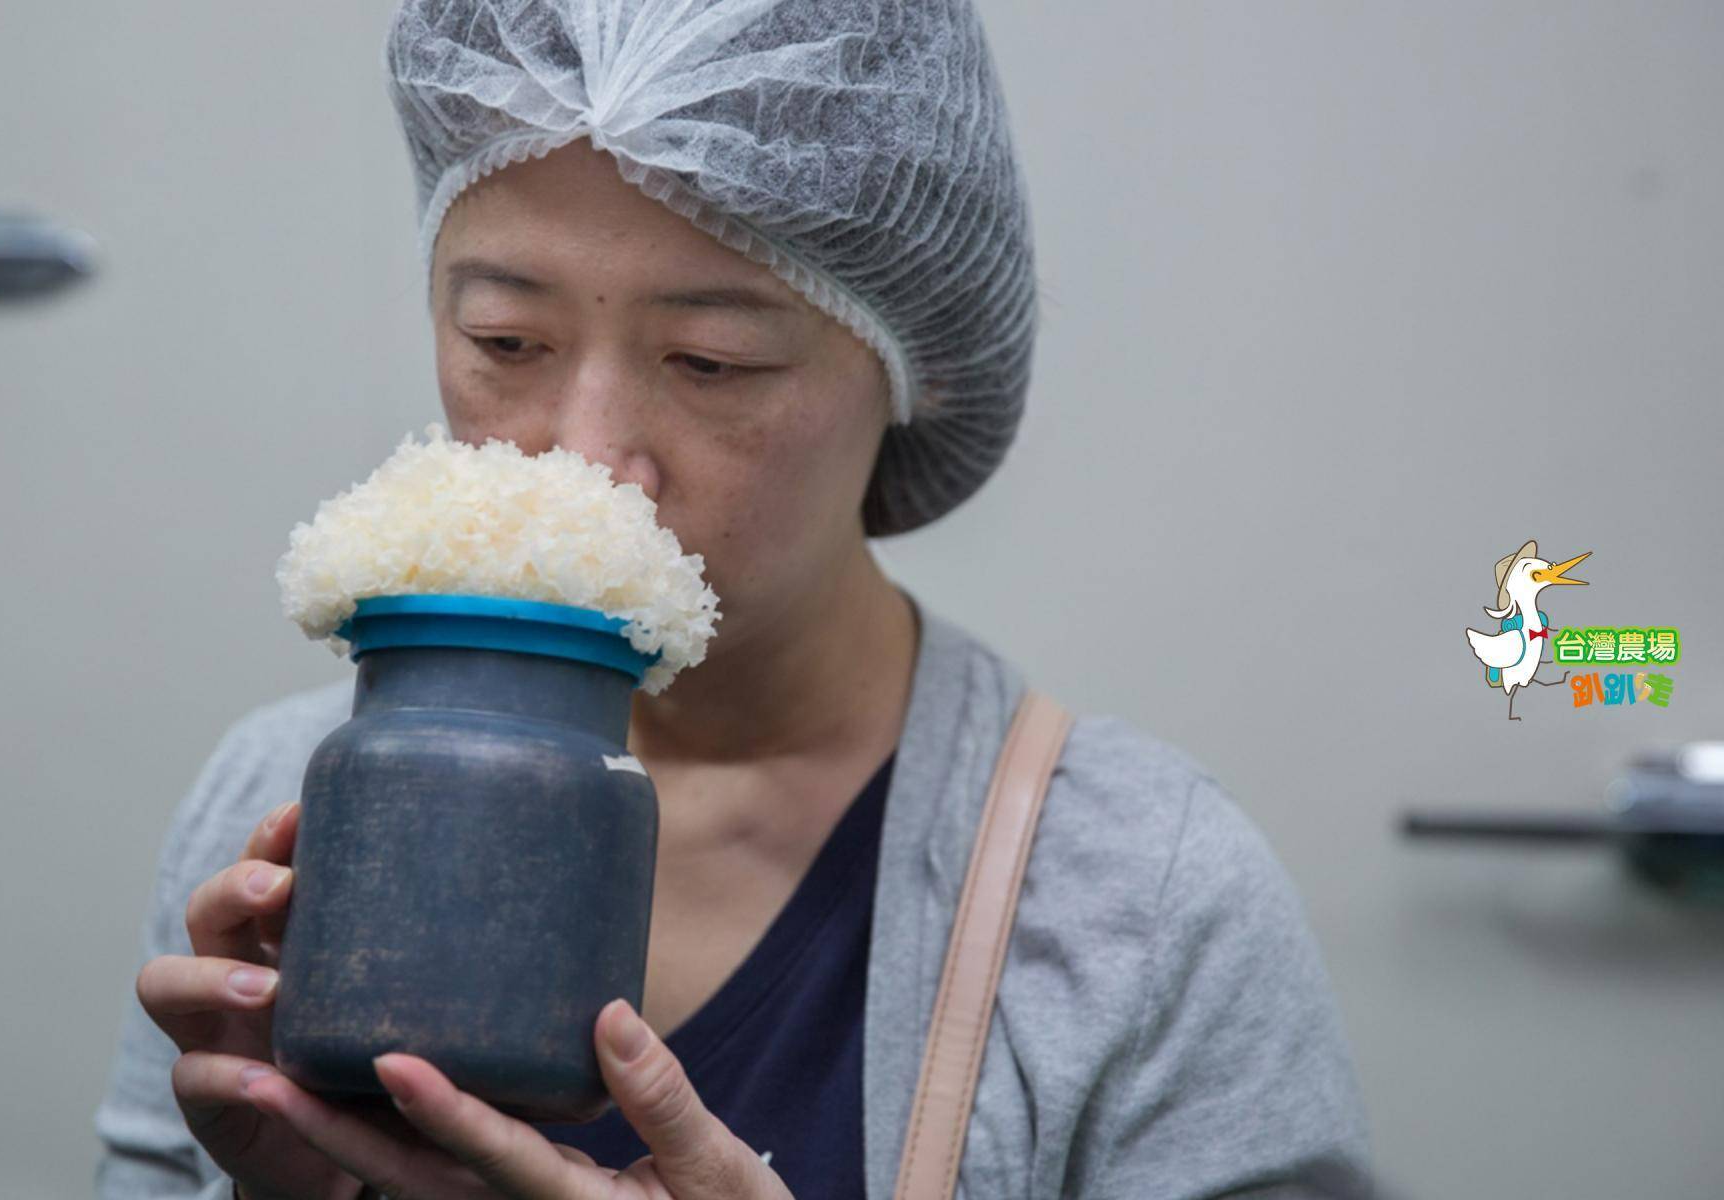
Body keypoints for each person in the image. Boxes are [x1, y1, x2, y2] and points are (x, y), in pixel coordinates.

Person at [96, 2, 1375, 1197]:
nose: (588, 459)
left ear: (910, 368)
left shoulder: (1140, 905)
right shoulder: (282, 818)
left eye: (713, 360)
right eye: (503, 340)